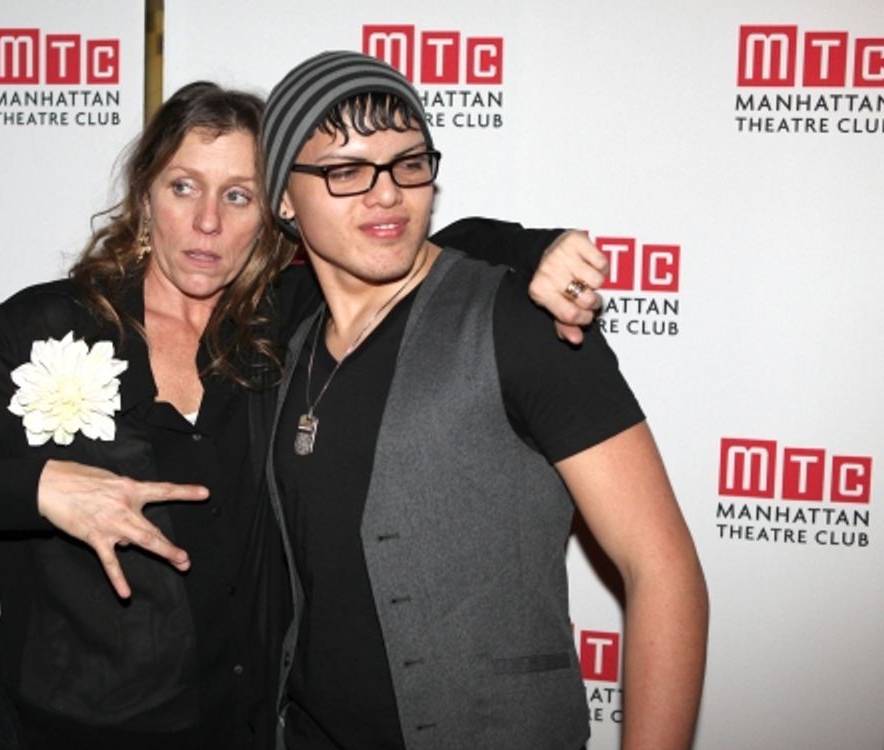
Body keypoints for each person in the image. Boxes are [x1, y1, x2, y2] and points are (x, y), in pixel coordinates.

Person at [0, 81, 606, 749]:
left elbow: (405, 246)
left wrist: (528, 247)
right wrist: (40, 489)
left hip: (238, 729)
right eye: (184, 187)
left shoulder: (291, 319)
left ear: (275, 213)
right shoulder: (43, 327)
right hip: (58, 730)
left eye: (237, 195)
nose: (207, 222)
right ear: (146, 196)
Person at [259, 51, 709, 750]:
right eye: (345, 170)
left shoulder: (523, 321)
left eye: (409, 164)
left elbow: (662, 568)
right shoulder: (284, 331)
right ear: (284, 196)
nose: (387, 195)